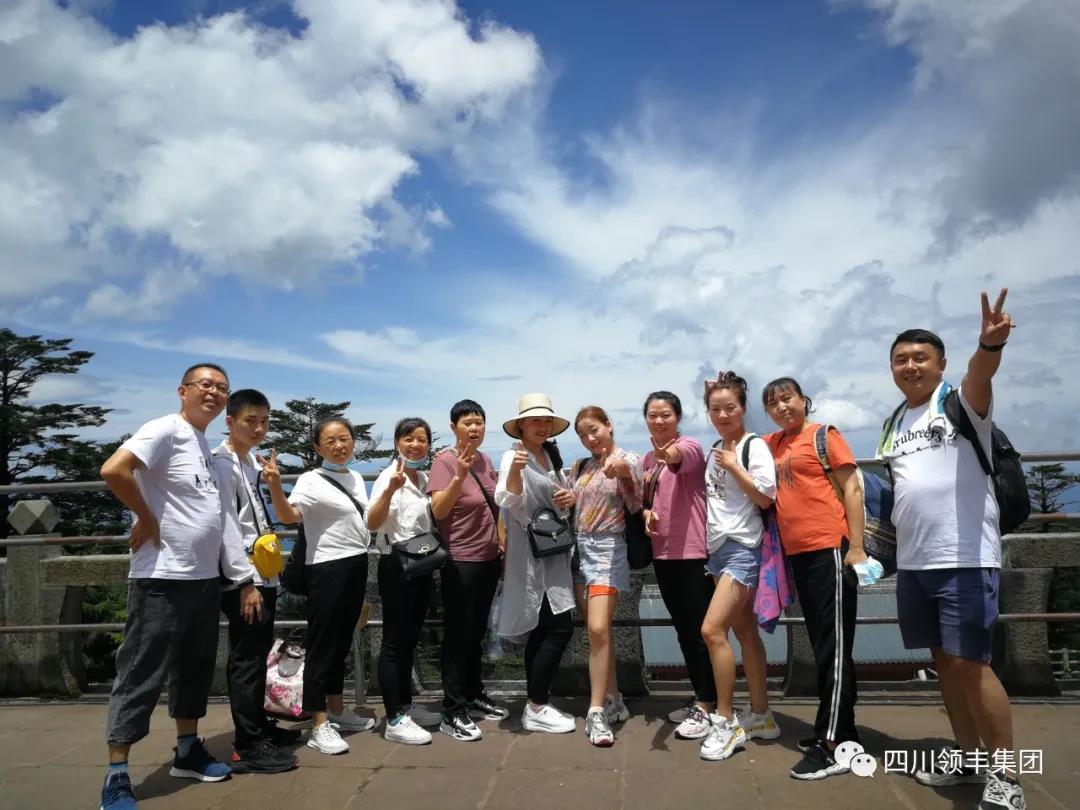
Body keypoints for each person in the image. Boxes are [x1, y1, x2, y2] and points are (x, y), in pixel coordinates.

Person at [879, 290, 1025, 810]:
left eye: (921, 357)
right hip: (916, 562)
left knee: (971, 664)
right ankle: (967, 759)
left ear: (940, 364)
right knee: (945, 663)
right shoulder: (894, 423)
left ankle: (1007, 776)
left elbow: (980, 376)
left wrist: (989, 346)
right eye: (901, 359)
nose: (910, 366)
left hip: (963, 557)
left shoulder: (959, 404)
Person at [99, 363, 254, 810]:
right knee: (140, 672)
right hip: (161, 577)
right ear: (182, 390)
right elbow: (115, 470)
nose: (214, 392)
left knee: (194, 669)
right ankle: (117, 773)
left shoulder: (201, 443)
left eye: (222, 387)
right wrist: (146, 517)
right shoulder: (165, 429)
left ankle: (187, 750)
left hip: (203, 577)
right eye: (205, 384)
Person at [762, 377, 867, 780]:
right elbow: (737, 448)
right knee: (826, 646)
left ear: (803, 400)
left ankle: (832, 743)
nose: (781, 407)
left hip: (830, 549)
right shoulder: (772, 444)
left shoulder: (824, 436)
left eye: (787, 398)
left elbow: (852, 488)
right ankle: (844, 732)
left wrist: (855, 547)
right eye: (772, 403)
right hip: (799, 555)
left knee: (834, 650)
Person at [262, 417, 374, 757]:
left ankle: (336, 709)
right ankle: (319, 722)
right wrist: (275, 485)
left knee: (341, 641)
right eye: (330, 441)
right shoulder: (311, 480)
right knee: (324, 645)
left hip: (356, 562)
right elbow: (288, 516)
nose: (339, 446)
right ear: (317, 448)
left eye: (344, 438)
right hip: (326, 568)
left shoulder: (354, 477)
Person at [211, 389, 299, 774]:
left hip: (263, 571)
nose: (259, 428)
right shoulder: (221, 464)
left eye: (264, 421)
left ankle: (259, 727)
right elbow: (225, 525)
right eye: (251, 421)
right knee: (247, 658)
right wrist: (244, 582)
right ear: (230, 421)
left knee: (259, 650)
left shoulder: (249, 462)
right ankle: (247, 745)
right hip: (244, 576)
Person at [699, 372, 780, 762]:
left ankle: (725, 720)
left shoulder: (753, 446)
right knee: (744, 631)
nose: (722, 415)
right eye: (715, 409)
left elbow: (765, 498)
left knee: (712, 630)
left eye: (729, 407)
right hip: (717, 549)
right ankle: (762, 715)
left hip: (743, 548)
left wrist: (734, 467)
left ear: (743, 408)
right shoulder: (716, 446)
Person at [428, 400, 510, 740]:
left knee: (475, 632)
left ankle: (474, 694)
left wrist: (502, 544)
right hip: (460, 559)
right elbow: (438, 510)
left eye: (479, 422)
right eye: (467, 423)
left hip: (488, 559)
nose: (474, 428)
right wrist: (459, 475)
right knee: (458, 636)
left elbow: (496, 508)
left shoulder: (485, 460)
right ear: (453, 427)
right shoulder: (444, 462)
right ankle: (453, 709)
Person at [495, 393, 577, 734]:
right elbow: (507, 498)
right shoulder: (513, 456)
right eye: (535, 420)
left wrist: (569, 498)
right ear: (521, 426)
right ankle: (537, 706)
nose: (542, 426)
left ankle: (537, 702)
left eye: (546, 420)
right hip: (530, 553)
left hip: (554, 549)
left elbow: (562, 501)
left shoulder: (551, 455)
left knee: (545, 630)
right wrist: (516, 470)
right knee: (559, 629)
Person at [640, 391, 715, 741]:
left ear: (678, 418)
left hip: (693, 552)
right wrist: (646, 514)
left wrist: (665, 452)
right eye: (653, 415)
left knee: (701, 632)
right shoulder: (646, 460)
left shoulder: (690, 446)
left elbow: (677, 457)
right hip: (664, 553)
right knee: (684, 631)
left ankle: (709, 704)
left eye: (665, 415)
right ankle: (701, 696)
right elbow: (648, 501)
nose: (659, 420)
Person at [568, 405, 641, 746]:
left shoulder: (627, 458)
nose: (590, 439)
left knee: (597, 628)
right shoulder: (581, 466)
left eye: (594, 430)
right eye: (583, 435)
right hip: (579, 549)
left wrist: (619, 468)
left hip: (608, 550)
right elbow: (575, 502)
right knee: (598, 633)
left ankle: (595, 711)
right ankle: (614, 700)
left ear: (609, 425)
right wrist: (567, 497)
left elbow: (636, 487)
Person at [367, 417, 443, 745]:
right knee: (394, 642)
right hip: (396, 566)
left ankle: (406, 705)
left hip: (422, 564)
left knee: (410, 639)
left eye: (421, 440)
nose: (415, 445)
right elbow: (372, 522)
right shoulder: (389, 477)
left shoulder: (424, 478)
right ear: (398, 443)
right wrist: (390, 490)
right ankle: (395, 717)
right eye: (409, 439)